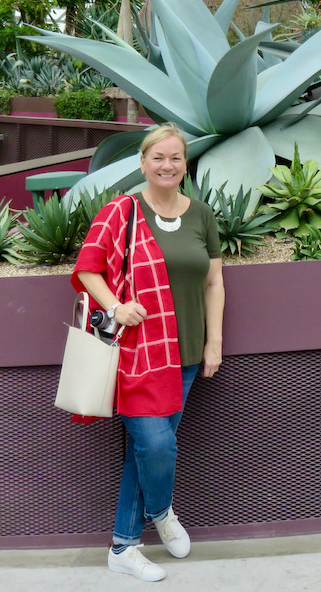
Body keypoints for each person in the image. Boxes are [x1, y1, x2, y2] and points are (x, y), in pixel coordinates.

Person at [73, 123, 224, 582]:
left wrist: (213, 341)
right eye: (158, 157)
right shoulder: (121, 211)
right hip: (136, 353)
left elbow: (214, 282)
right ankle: (161, 512)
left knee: (144, 450)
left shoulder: (202, 215)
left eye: (176, 157)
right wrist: (117, 306)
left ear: (185, 164)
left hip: (187, 354)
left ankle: (123, 546)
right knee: (155, 444)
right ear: (142, 162)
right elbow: (87, 270)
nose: (167, 165)